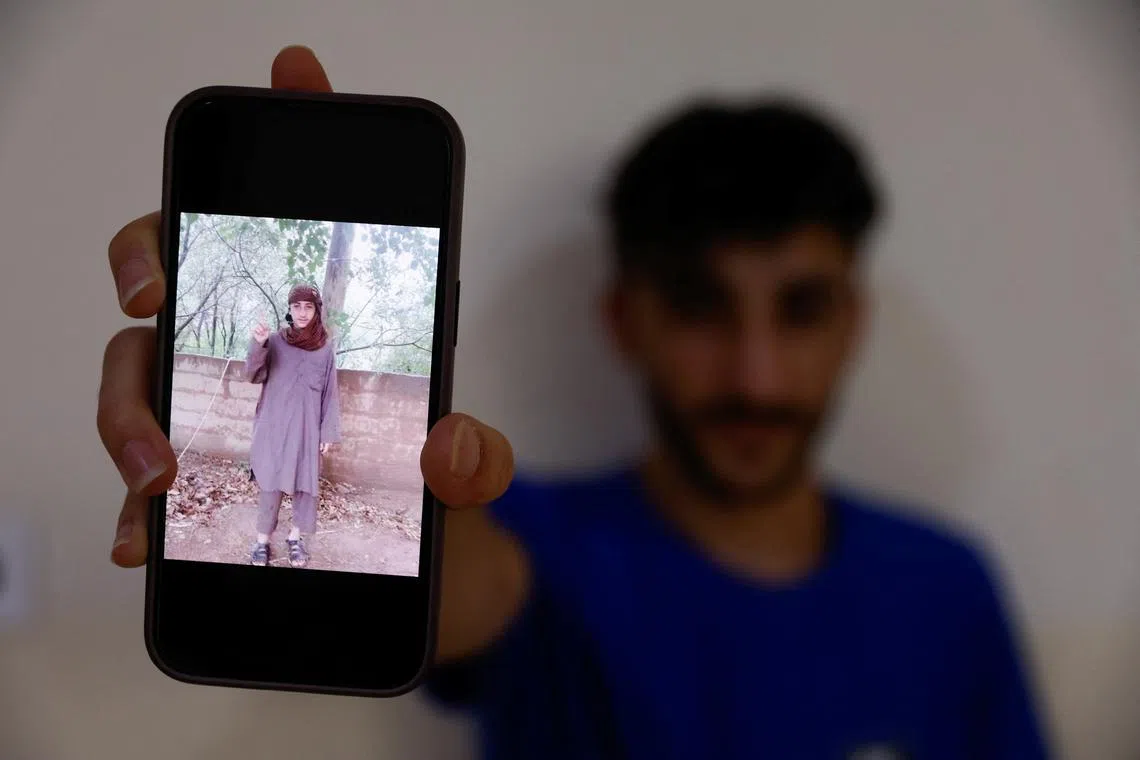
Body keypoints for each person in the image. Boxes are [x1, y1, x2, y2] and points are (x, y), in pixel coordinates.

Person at [98, 47, 1051, 759]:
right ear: (626, 321)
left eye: (801, 310)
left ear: (853, 323)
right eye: (699, 306)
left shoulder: (949, 591)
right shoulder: (531, 542)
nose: (757, 376)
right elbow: (461, 585)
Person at [245, 283, 341, 568]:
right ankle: (262, 541)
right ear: (289, 309)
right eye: (296, 306)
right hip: (274, 428)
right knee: (271, 484)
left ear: (316, 311)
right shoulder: (274, 341)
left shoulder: (325, 351)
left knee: (305, 484)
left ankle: (295, 538)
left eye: (308, 307)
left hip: (308, 431)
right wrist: (258, 344)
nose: (302, 312)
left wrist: (328, 432)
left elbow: (331, 394)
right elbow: (252, 374)